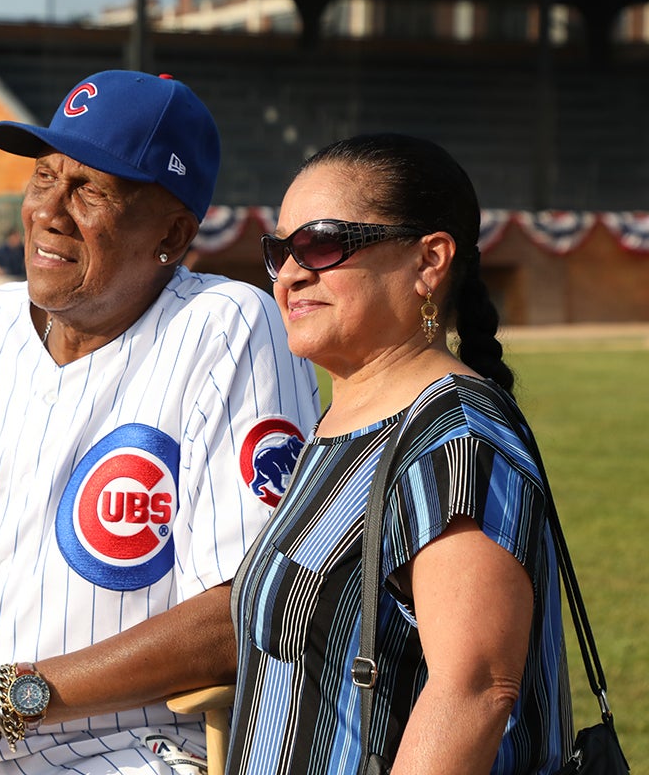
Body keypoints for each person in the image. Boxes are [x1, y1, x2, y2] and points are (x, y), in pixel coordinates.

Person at [0, 70, 321, 774]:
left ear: (173, 232)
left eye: (91, 190)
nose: (50, 211)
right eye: (45, 176)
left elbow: (244, 611)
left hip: (118, 751)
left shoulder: (224, 327)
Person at [225, 133, 571, 775]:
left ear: (428, 260)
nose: (292, 272)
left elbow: (475, 692)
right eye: (280, 251)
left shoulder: (454, 435)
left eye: (321, 244)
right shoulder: (340, 427)